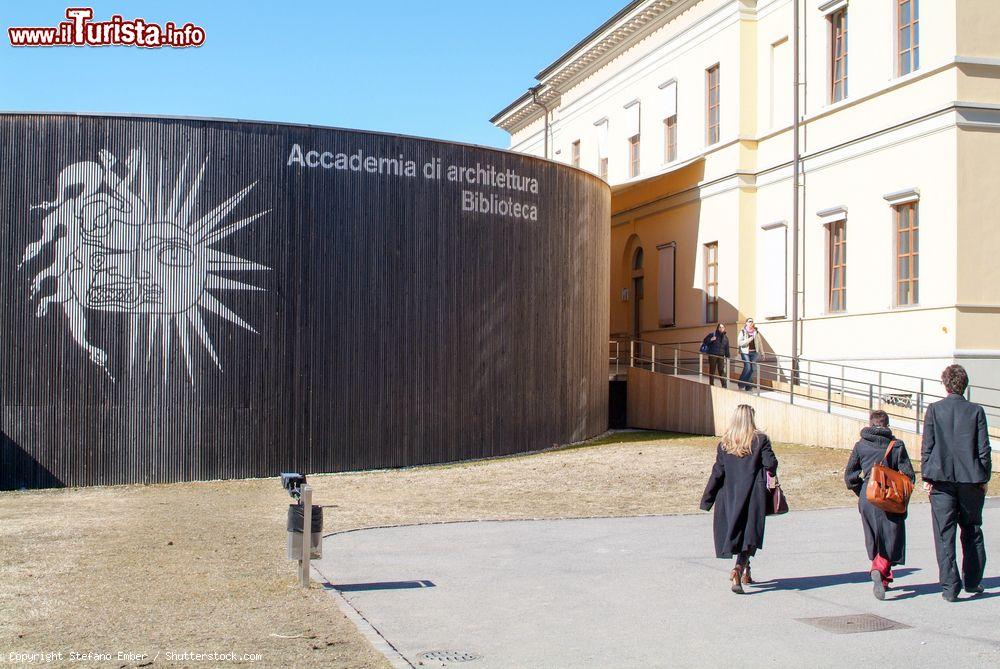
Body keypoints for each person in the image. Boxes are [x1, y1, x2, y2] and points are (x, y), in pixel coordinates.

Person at [921, 364, 992, 602]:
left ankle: (950, 586)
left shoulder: (934, 410)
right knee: (972, 530)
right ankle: (972, 580)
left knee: (944, 533)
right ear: (965, 384)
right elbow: (984, 449)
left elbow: (927, 446)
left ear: (945, 384)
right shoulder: (976, 411)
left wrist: (926, 476)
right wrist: (984, 477)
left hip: (941, 479)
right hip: (970, 478)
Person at [700, 404, 778, 594]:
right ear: (751, 419)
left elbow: (718, 472)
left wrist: (707, 499)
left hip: (729, 496)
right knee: (749, 536)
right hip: (752, 496)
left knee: (739, 533)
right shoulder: (760, 440)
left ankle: (745, 571)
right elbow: (771, 464)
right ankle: (738, 569)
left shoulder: (725, 443)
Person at [844, 410, 915, 600]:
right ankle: (880, 568)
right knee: (892, 537)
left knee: (874, 536)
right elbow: (909, 476)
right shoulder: (896, 445)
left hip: (868, 496)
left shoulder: (861, 445)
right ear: (887, 425)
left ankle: (882, 579)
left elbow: (849, 477)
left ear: (870, 423)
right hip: (890, 496)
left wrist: (864, 492)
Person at [701, 324, 730, 388]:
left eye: (723, 327)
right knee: (712, 369)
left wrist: (728, 355)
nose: (721, 328)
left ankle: (724, 385)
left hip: (721, 355)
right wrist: (711, 339)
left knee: (721, 370)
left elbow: (727, 347)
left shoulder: (726, 337)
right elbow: (705, 341)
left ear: (724, 328)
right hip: (712, 354)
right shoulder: (712, 334)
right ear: (717, 328)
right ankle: (711, 383)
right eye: (720, 327)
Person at [737, 318, 760, 391]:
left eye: (752, 321)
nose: (751, 323)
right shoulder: (743, 332)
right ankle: (741, 383)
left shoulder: (756, 332)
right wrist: (749, 340)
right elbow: (739, 343)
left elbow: (760, 343)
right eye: (749, 321)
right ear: (746, 323)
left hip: (754, 353)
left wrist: (762, 353)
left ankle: (748, 386)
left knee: (752, 369)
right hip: (745, 352)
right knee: (748, 367)